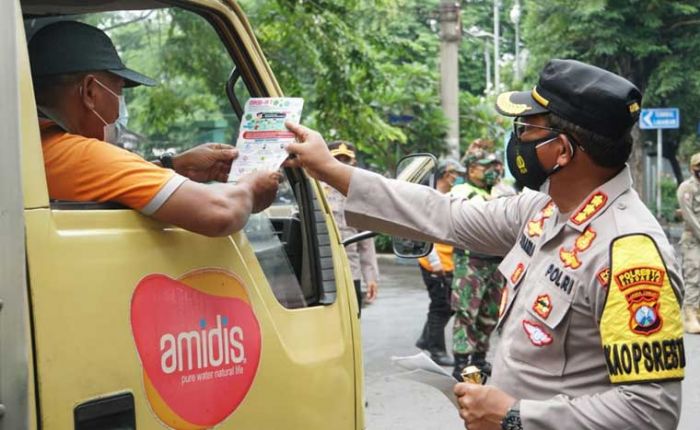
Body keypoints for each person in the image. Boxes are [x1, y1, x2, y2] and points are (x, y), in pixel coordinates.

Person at [284, 59, 684, 430]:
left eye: (528, 129)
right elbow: (446, 215)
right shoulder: (542, 210)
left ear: (562, 150)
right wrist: (331, 170)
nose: (518, 139)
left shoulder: (629, 251)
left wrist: (515, 417)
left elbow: (650, 409)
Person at [28, 21, 279, 237]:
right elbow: (219, 212)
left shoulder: (30, 146)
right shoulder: (77, 155)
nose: (121, 105)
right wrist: (250, 187)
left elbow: (105, 179)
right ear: (91, 91)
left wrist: (175, 165)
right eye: (118, 91)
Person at [449, 151, 504, 380]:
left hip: (496, 260)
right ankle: (461, 362)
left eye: (495, 166)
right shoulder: (461, 191)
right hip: (471, 260)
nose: (493, 171)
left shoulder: (498, 191)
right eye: (486, 167)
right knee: (467, 312)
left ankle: (479, 359)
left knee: (489, 313)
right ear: (472, 170)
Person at [414, 159, 464, 366]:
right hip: (433, 261)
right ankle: (435, 349)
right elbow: (425, 233)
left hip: (449, 260)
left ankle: (426, 339)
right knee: (440, 306)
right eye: (454, 173)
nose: (456, 177)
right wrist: (435, 264)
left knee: (448, 305)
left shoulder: (450, 197)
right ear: (445, 174)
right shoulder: (429, 198)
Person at [323, 141, 379, 316]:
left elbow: (366, 243)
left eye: (345, 160)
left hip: (351, 273)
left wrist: (371, 277)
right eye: (336, 159)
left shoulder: (359, 196)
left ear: (353, 163)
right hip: (324, 274)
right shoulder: (316, 191)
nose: (341, 164)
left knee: (352, 325)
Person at [677, 152, 700, 333]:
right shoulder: (687, 188)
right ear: (693, 168)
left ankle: (697, 312)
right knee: (694, 275)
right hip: (693, 239)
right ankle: (689, 315)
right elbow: (690, 217)